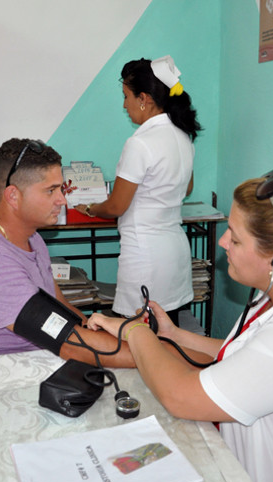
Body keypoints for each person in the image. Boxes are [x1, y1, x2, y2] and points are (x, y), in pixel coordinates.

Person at [87, 169, 273, 482]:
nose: (222, 241)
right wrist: (174, 335)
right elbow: (251, 355)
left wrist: (135, 332)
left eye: (235, 236)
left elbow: (179, 397)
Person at [0, 138, 135, 367]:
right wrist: (151, 354)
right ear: (13, 196)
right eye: (51, 190)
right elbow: (71, 344)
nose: (62, 200)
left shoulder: (31, 237)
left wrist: (107, 331)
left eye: (61, 188)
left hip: (46, 355)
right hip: (12, 372)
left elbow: (63, 308)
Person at [74, 55, 202, 325]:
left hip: (145, 255)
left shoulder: (140, 143)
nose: (124, 105)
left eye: (126, 96)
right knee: (167, 333)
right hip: (174, 252)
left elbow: (116, 206)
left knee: (135, 337)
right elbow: (187, 186)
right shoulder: (183, 136)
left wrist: (90, 208)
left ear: (143, 98)